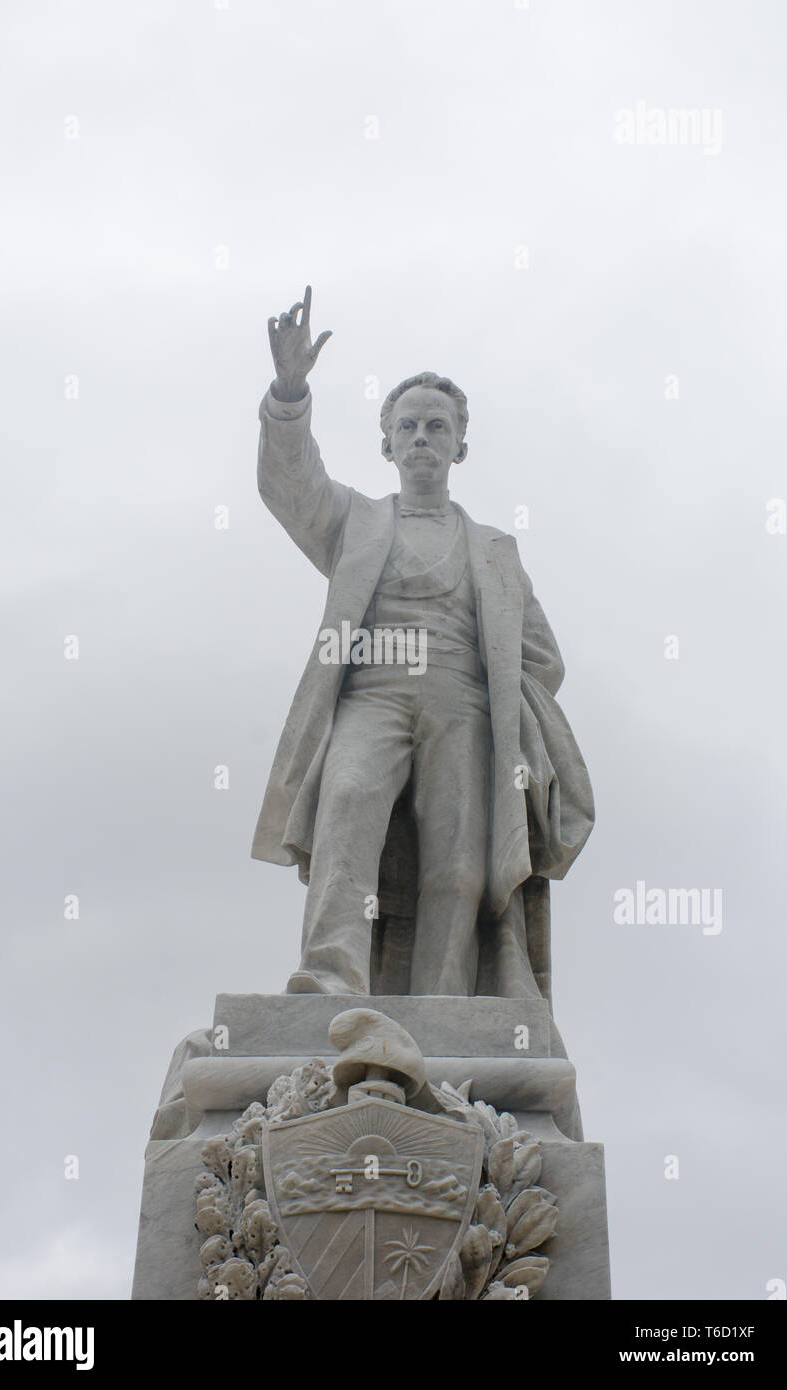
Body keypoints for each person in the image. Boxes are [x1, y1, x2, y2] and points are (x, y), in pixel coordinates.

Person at [252, 287, 594, 1002]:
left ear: (458, 445)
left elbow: (542, 655)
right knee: (345, 811)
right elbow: (291, 486)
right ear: (385, 443)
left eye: (436, 428)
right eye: (406, 426)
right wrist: (289, 393)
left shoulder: (495, 550)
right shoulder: (355, 520)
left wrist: (502, 698)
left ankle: (444, 1002)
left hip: (464, 706)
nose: (420, 439)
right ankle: (328, 978)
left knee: (460, 860)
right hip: (370, 696)